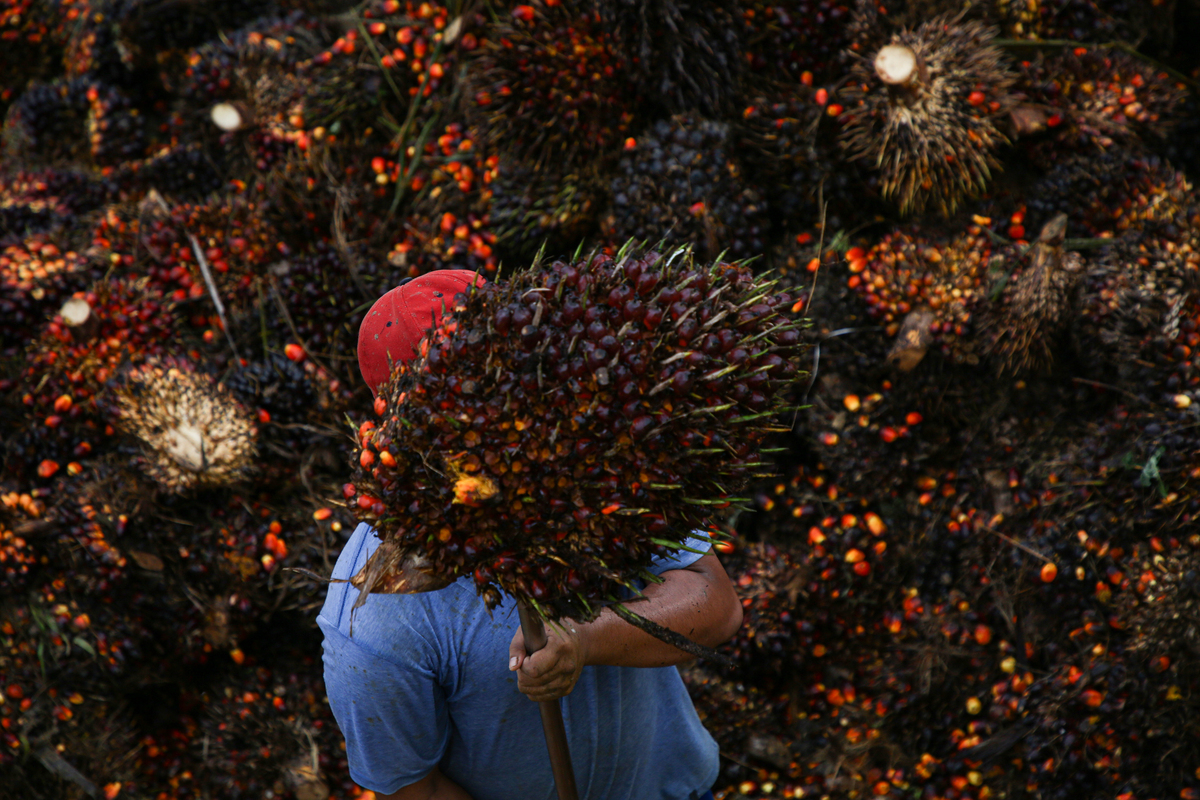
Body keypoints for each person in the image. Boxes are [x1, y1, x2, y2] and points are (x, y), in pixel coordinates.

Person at [318, 270, 744, 800]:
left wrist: (587, 640)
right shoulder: (371, 625)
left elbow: (718, 604)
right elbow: (415, 789)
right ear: (407, 428)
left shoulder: (604, 459)